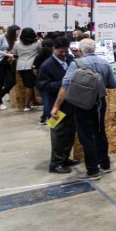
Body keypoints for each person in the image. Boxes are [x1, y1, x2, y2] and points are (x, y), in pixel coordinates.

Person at [51, 39, 116, 181]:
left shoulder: (76, 64)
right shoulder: (104, 63)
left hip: (82, 104)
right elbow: (113, 84)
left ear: (81, 50)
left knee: (87, 137)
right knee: (100, 133)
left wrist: (56, 106)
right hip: (100, 103)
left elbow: (65, 85)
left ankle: (93, 171)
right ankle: (105, 164)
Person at [35, 37, 78, 174]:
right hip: (54, 106)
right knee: (58, 134)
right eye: (61, 52)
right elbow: (42, 86)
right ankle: (56, 163)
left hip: (70, 104)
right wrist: (63, 83)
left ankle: (65, 158)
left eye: (66, 51)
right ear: (54, 49)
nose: (64, 54)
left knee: (70, 133)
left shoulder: (70, 59)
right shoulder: (47, 65)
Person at [13, 27, 42, 112]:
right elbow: (40, 53)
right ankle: (27, 105)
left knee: (29, 85)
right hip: (32, 66)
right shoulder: (37, 43)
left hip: (21, 66)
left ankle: (34, 102)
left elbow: (15, 55)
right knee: (29, 86)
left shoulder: (17, 43)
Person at [0, 25, 19, 111]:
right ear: (12, 31)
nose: (18, 33)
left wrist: (12, 54)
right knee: (0, 83)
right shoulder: (0, 37)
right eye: (17, 31)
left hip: (8, 63)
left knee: (12, 81)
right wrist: (8, 54)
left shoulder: (14, 40)